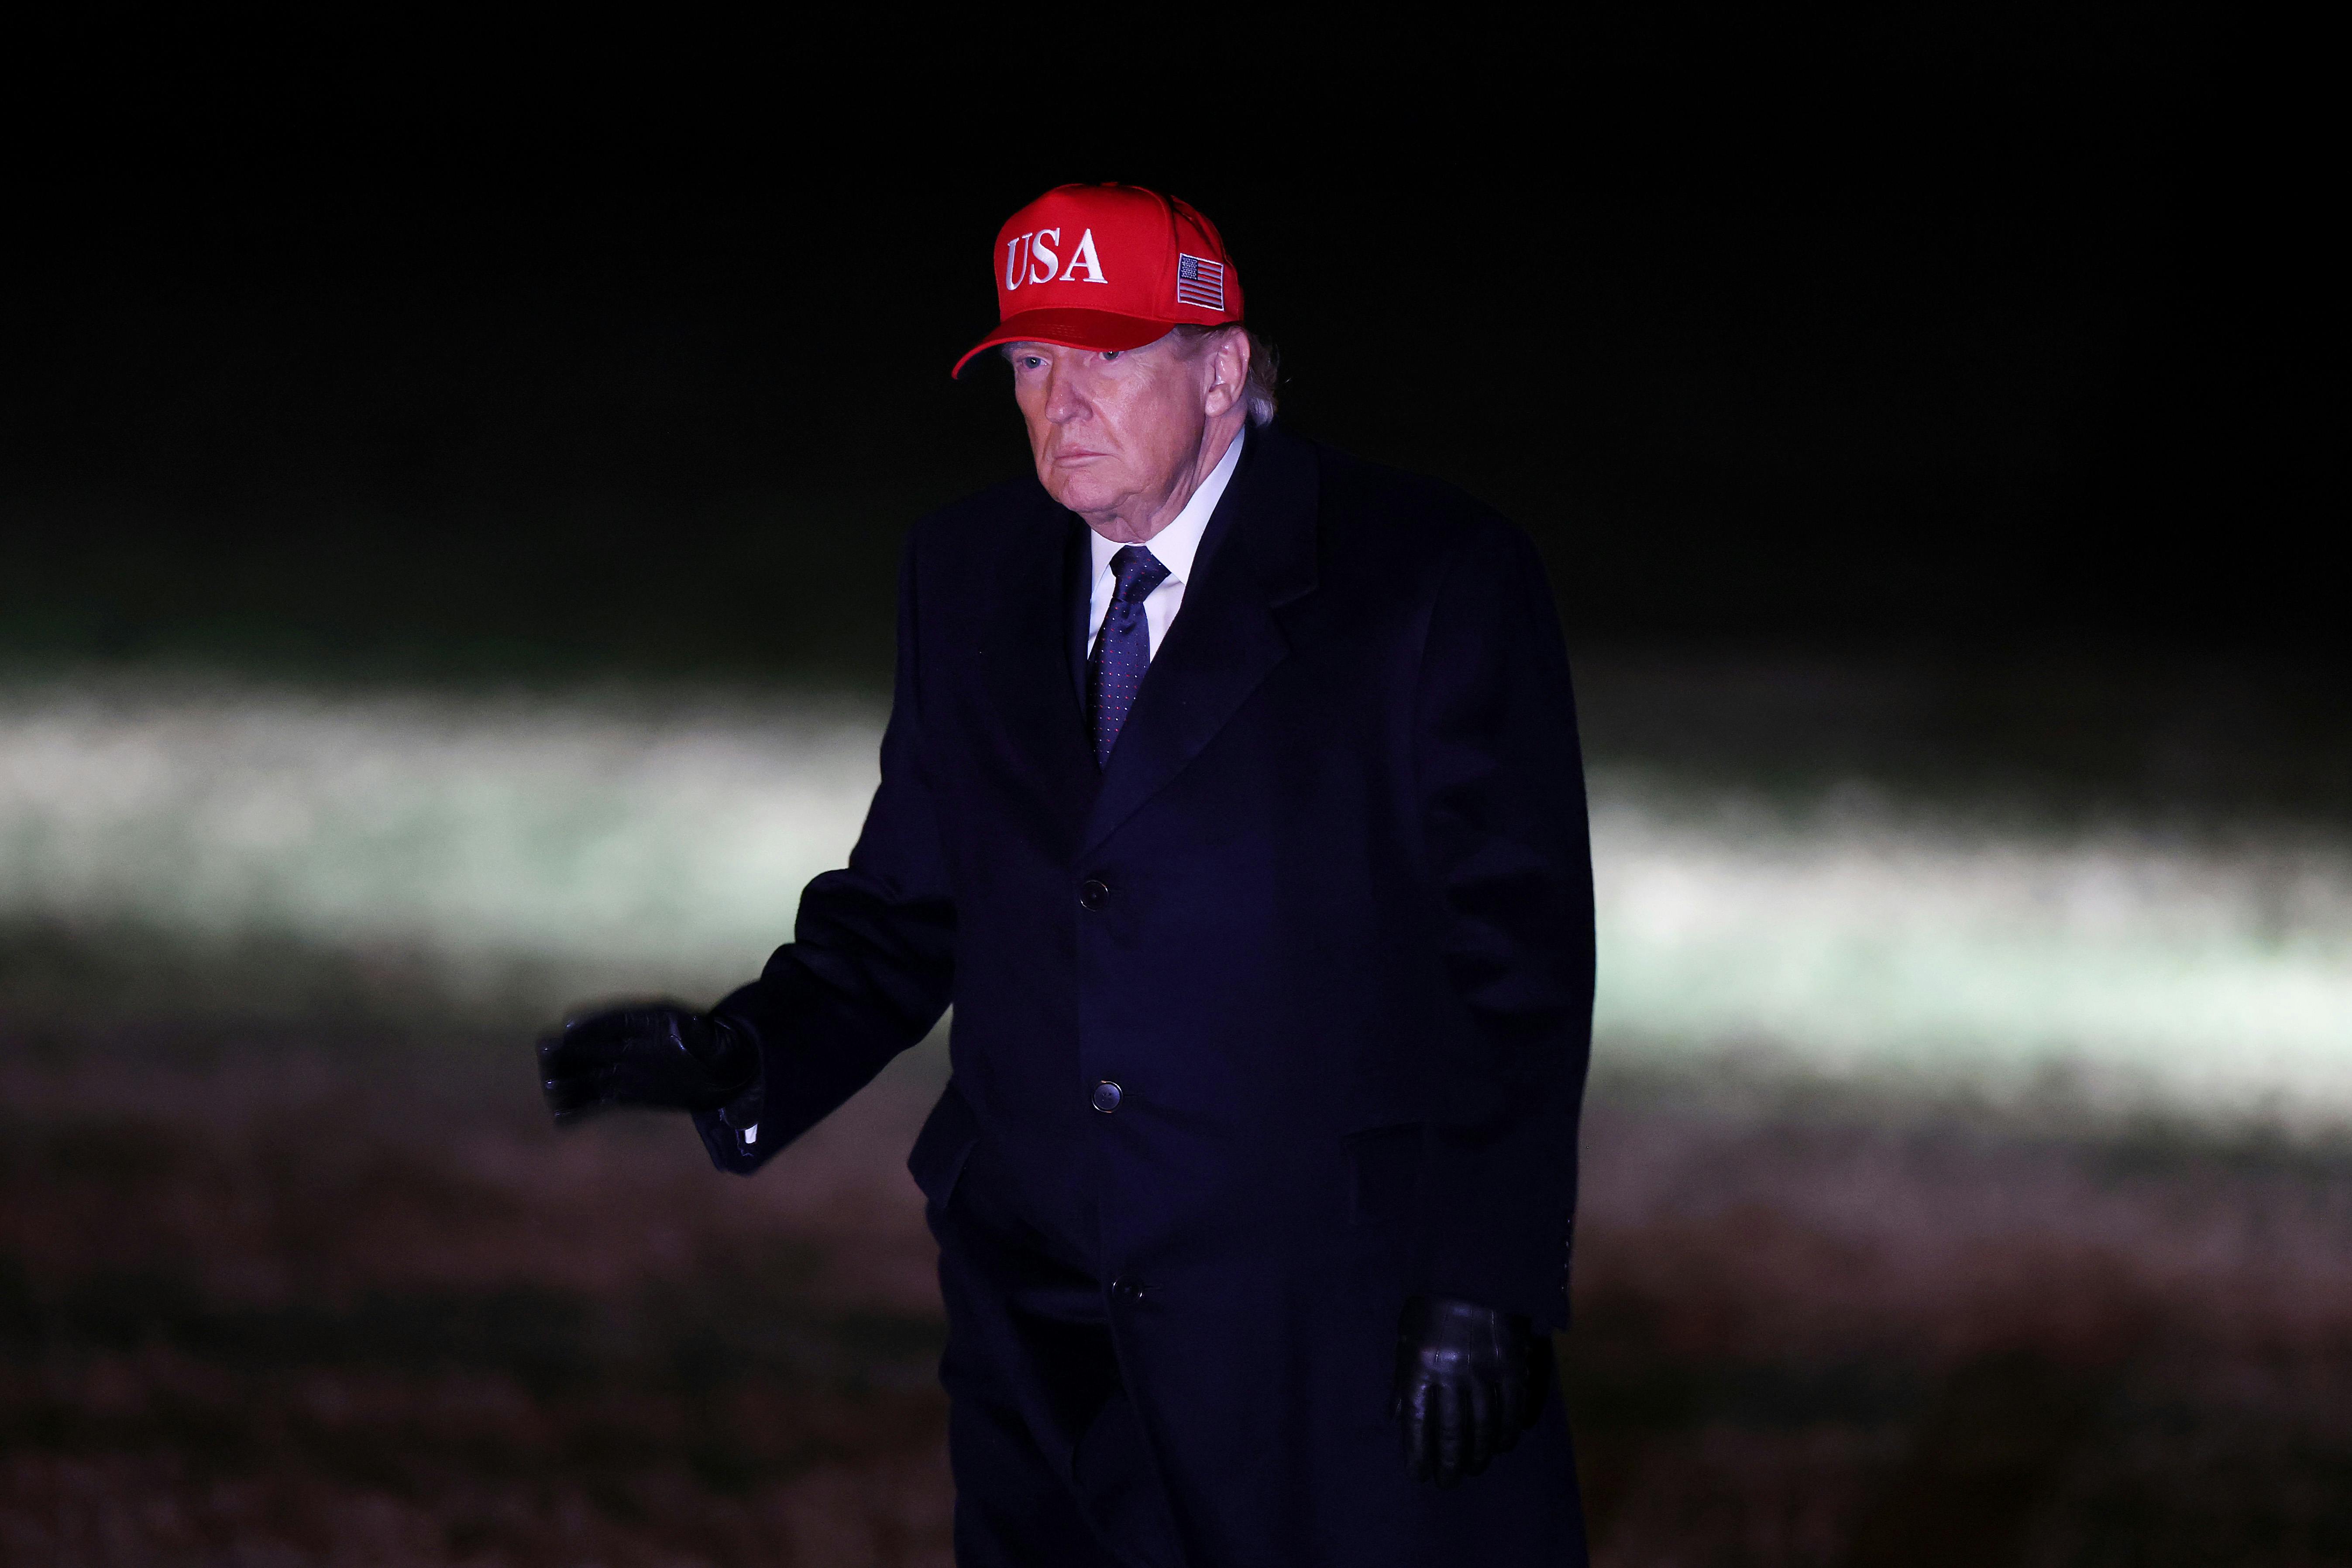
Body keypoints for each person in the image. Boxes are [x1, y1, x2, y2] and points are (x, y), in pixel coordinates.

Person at [539, 181, 1596, 1566]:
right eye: (1032, 363)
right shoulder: (967, 575)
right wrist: (745, 1053)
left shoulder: (1428, 578)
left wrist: (1483, 1278)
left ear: (1221, 369)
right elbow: (912, 902)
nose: (1060, 403)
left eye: (1104, 357)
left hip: (1326, 1319)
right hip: (1044, 1322)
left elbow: (1514, 965)